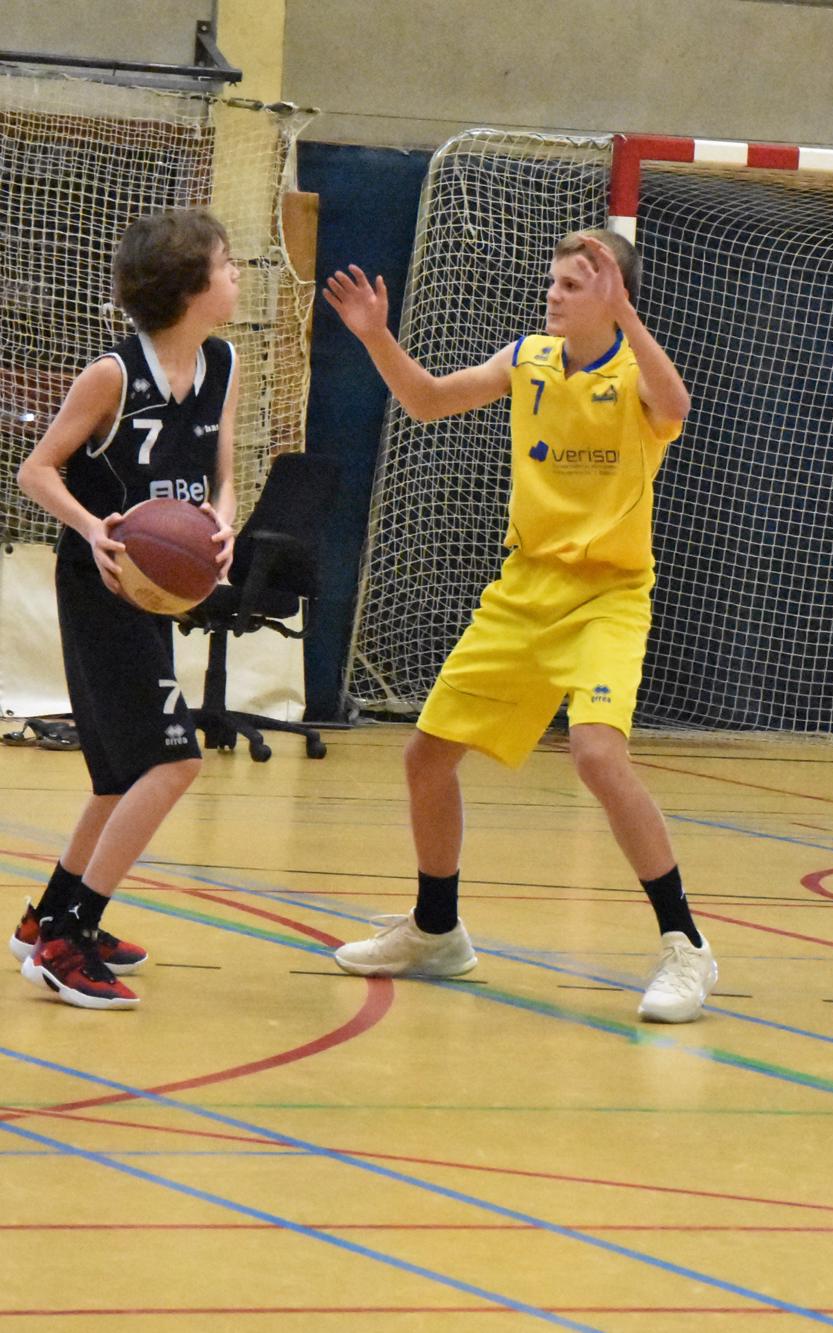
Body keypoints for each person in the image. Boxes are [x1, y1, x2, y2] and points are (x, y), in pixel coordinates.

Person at [321, 229, 715, 1022]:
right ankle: (437, 928)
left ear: (612, 296)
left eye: (573, 284)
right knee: (427, 757)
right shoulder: (528, 359)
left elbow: (676, 405)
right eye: (553, 281)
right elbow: (428, 400)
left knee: (597, 755)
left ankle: (687, 945)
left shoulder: (637, 375)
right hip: (525, 588)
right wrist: (375, 337)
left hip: (607, 596)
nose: (553, 294)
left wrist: (628, 316)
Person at [13, 208, 240, 1009]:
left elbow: (222, 476)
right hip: (101, 582)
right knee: (173, 760)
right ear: (189, 286)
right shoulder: (112, 375)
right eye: (227, 263)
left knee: (117, 774)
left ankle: (46, 918)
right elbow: (37, 470)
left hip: (157, 590)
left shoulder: (222, 362)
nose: (237, 275)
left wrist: (222, 524)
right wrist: (92, 526)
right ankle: (69, 943)